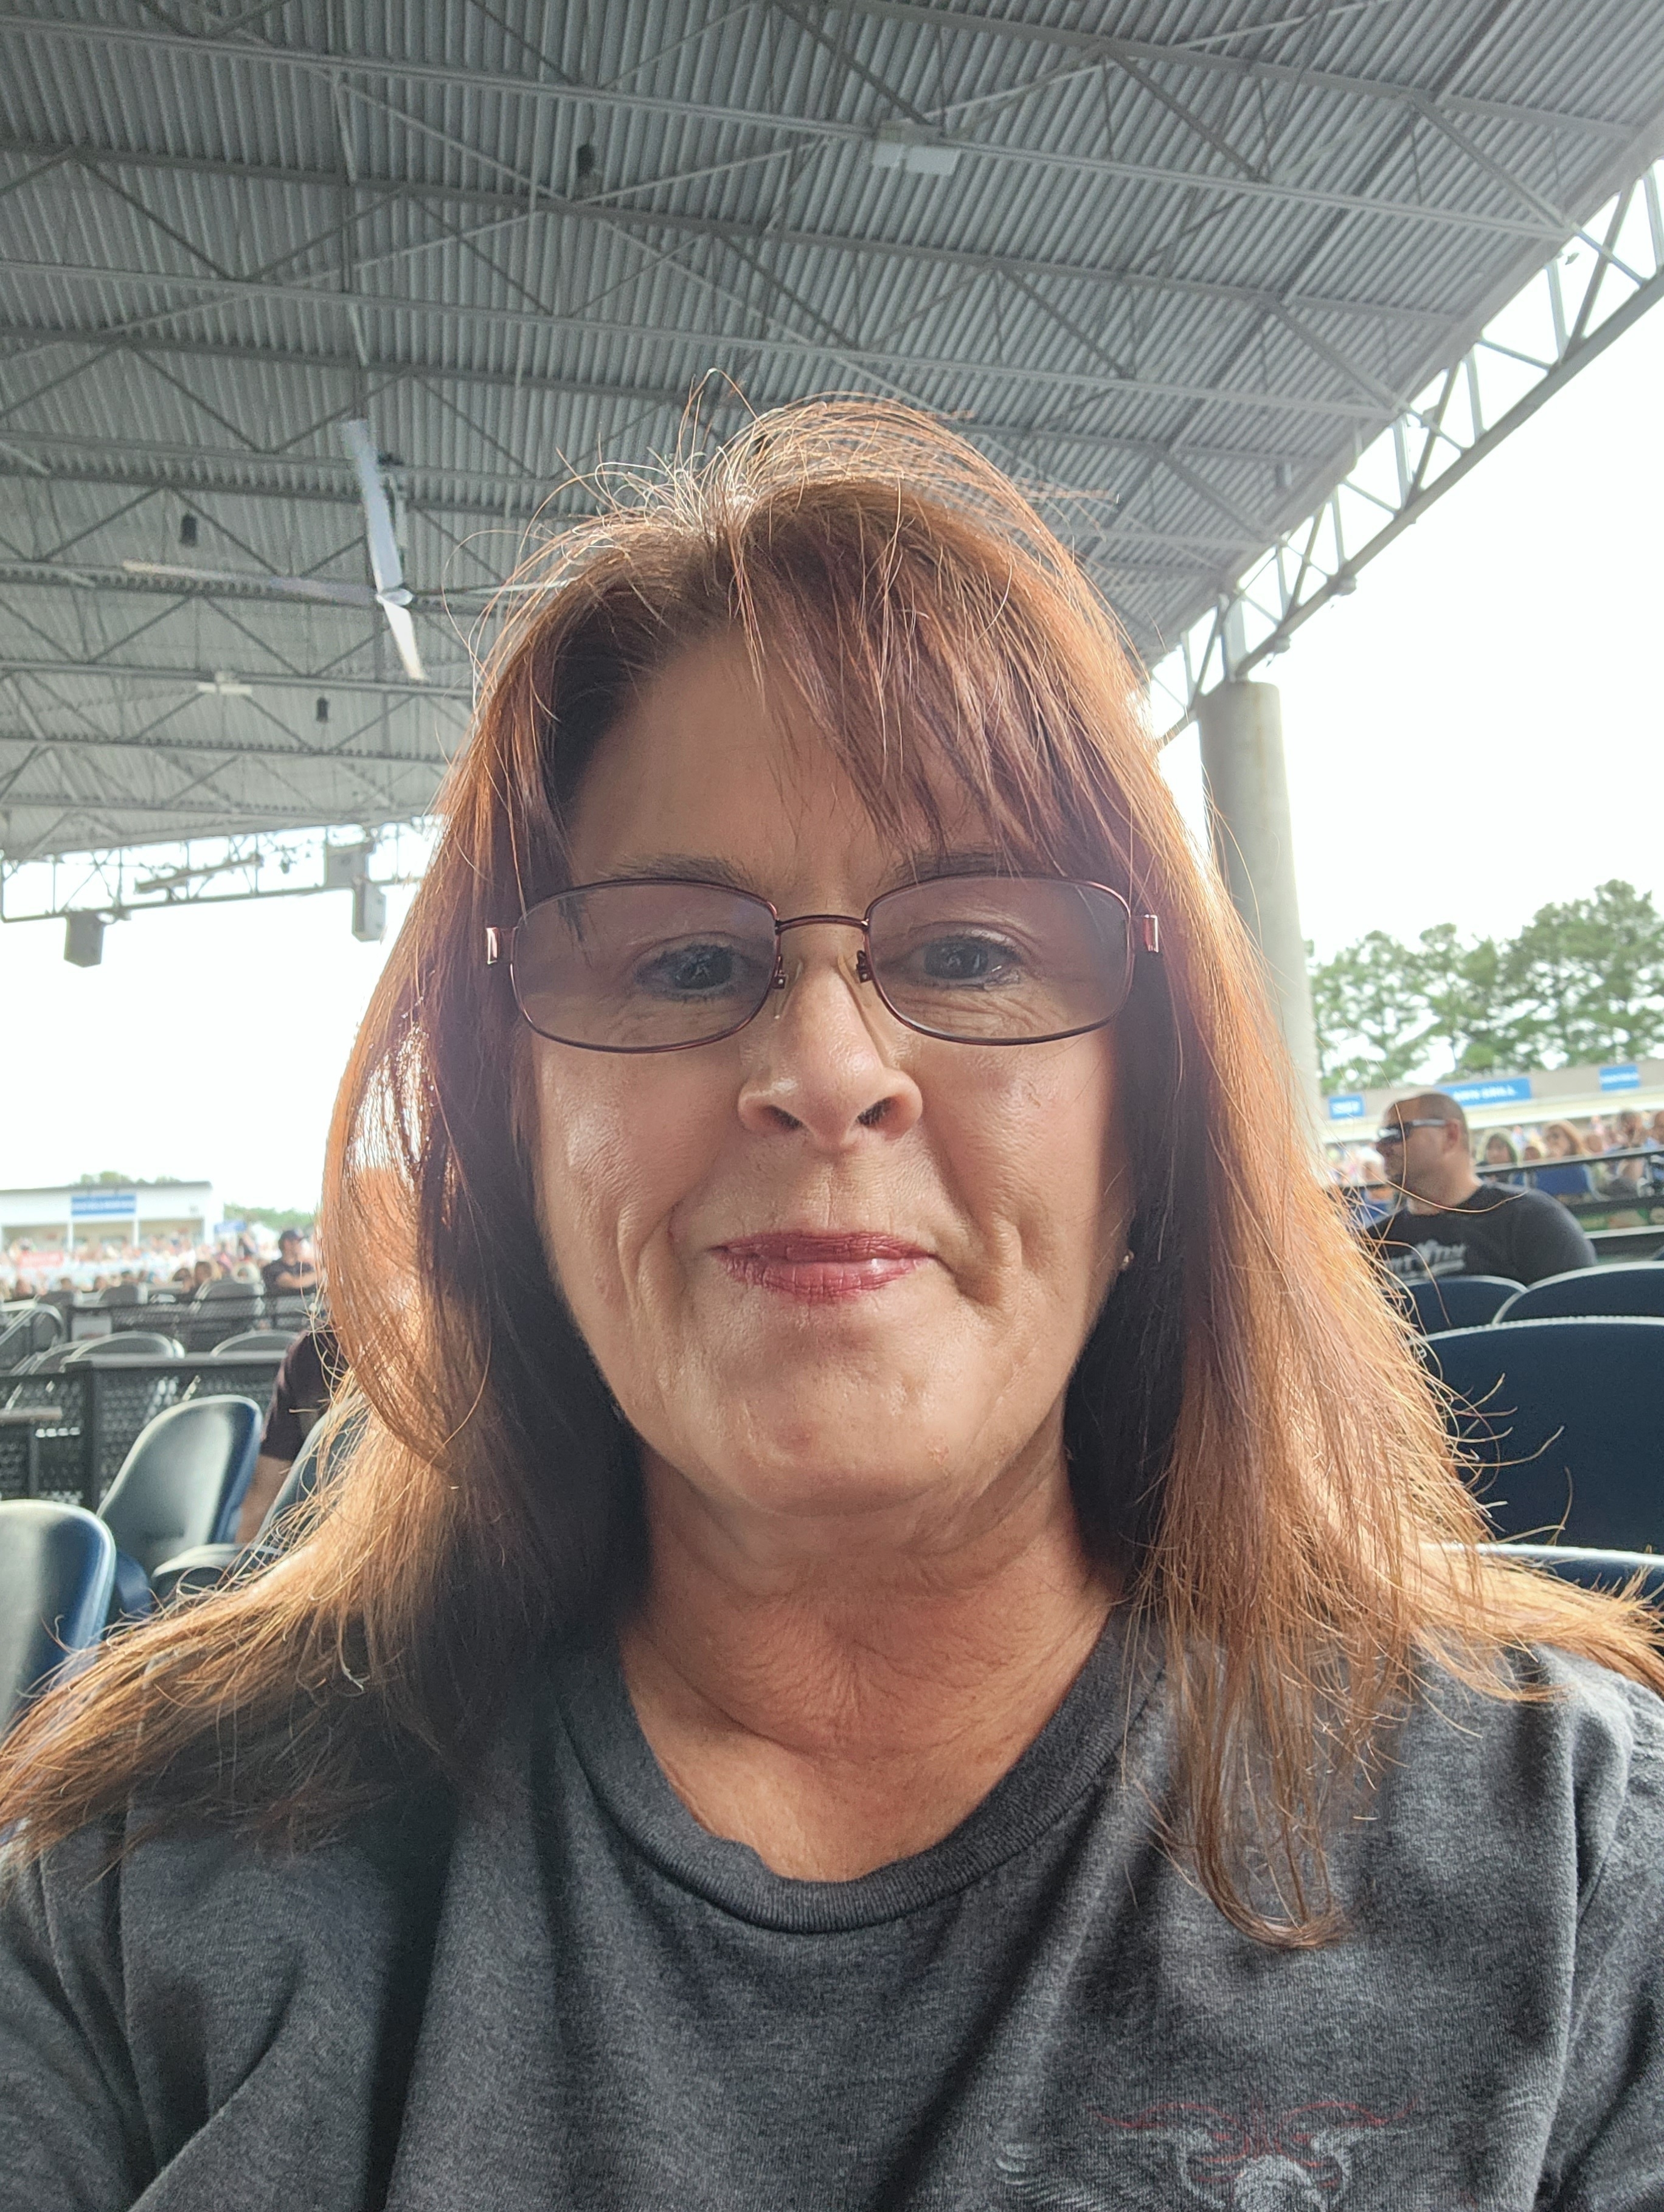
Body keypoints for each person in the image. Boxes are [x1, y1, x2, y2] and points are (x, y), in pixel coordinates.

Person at [2, 404, 1663, 2210]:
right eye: (680, 960)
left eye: (967, 950)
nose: (821, 1068)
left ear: (1150, 1130)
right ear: (515, 1132)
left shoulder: (1583, 1876)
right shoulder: (131, 1883)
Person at [1364, 1093, 1596, 1284]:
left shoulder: (1531, 1220)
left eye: (1397, 1133)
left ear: (1450, 1135)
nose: (1380, 1147)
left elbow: (1577, 1313)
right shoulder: (1371, 1245)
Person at [234, 1318, 345, 1544]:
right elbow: (264, 1494)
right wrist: (244, 1561)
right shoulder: (313, 1352)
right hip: (315, 1546)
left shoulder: (419, 1348)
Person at [1527, 1120, 1596, 1199]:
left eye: (1556, 1136)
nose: (1552, 1141)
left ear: (1570, 1139)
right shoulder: (1540, 1169)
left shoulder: (1586, 1163)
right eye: (1548, 1138)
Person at [261, 1226, 319, 1298]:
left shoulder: (305, 1267)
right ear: (287, 1244)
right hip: (282, 1304)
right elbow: (294, 1283)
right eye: (298, 1242)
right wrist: (320, 1274)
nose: (301, 1246)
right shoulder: (272, 1268)